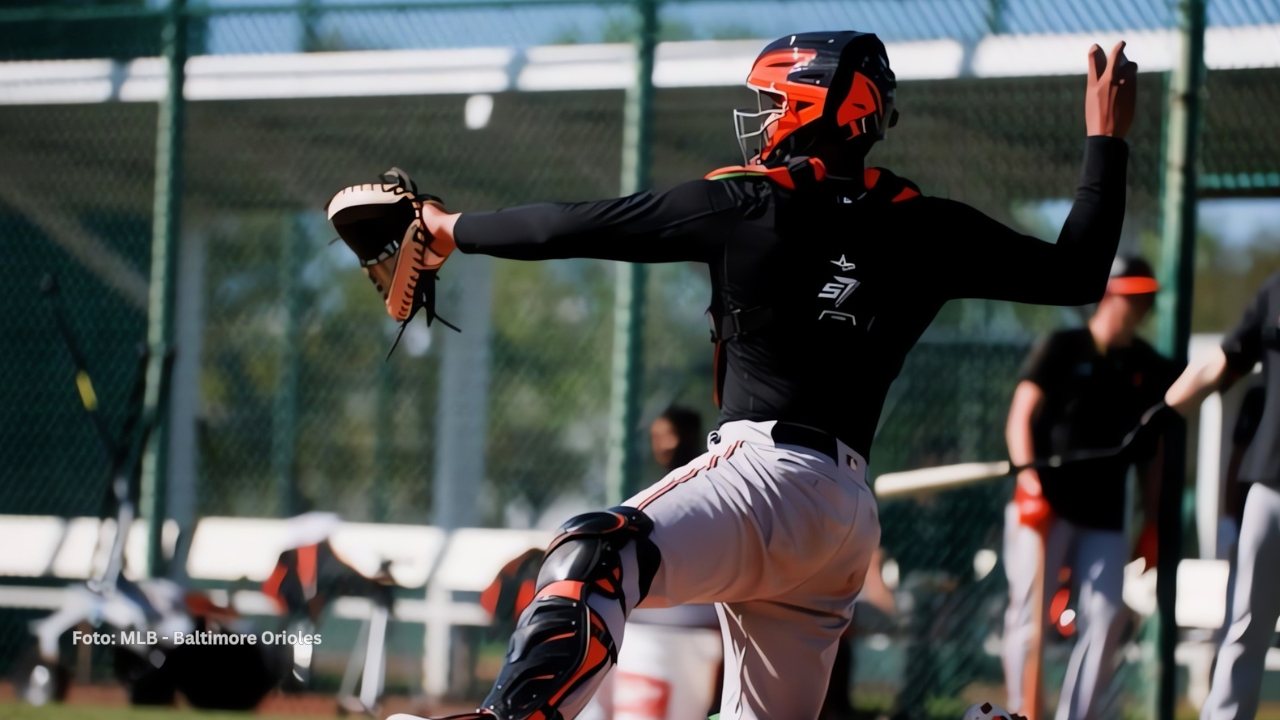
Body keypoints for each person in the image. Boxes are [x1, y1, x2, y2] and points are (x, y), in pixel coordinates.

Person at [326, 30, 1138, 720]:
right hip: (844, 519)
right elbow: (1077, 272)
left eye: (774, 102)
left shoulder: (751, 203)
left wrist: (450, 228)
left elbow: (584, 224)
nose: (762, 121)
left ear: (814, 106)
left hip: (765, 478)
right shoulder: (925, 224)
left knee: (594, 554)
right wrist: (1106, 143)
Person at [1000, 255, 1178, 720]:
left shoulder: (1148, 366)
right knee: (1028, 614)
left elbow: (1153, 452)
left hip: (1105, 510)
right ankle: (1022, 712)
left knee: (1106, 615)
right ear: (1109, 292)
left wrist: (1153, 520)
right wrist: (1028, 480)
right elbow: (1022, 413)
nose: (1139, 306)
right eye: (1131, 295)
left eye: (1146, 298)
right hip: (1048, 503)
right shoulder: (1063, 346)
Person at [1141, 271, 1278, 720]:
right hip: (1270, 483)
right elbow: (1221, 361)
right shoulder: (1275, 289)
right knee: (1243, 627)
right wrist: (1161, 412)